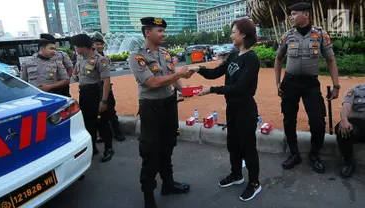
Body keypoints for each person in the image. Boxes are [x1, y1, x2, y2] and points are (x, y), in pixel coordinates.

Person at [190, 18, 262, 202]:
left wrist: (212, 90)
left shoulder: (252, 58)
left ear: (243, 35)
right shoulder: (233, 55)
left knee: (248, 147)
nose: (231, 35)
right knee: (233, 144)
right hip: (232, 108)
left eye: (233, 32)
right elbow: (215, 73)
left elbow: (240, 87)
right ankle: (236, 175)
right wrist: (198, 68)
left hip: (245, 108)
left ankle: (254, 183)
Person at [128, 17, 191, 208]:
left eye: (164, 31)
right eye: (159, 30)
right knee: (150, 153)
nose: (163, 34)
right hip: (151, 109)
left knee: (167, 147)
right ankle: (148, 196)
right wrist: (179, 74)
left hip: (169, 106)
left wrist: (184, 90)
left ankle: (168, 184)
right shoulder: (136, 56)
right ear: (147, 32)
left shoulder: (165, 53)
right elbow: (152, 82)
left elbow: (171, 79)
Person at [274, 2, 340, 173]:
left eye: (294, 13)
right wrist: (278, 82)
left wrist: (336, 85)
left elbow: (331, 60)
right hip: (290, 83)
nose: (291, 17)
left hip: (311, 85)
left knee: (318, 121)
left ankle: (314, 154)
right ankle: (294, 154)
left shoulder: (320, 34)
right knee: (289, 119)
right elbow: (278, 59)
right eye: (291, 14)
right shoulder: (287, 35)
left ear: (306, 15)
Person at [71, 34, 114, 163]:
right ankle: (92, 147)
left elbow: (106, 81)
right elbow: (76, 70)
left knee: (102, 122)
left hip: (96, 93)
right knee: (88, 122)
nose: (74, 49)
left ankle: (109, 148)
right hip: (84, 94)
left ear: (83, 47)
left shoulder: (99, 60)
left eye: (75, 46)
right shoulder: (80, 57)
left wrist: (104, 101)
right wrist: (74, 74)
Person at [92, 37, 126, 142]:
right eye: (97, 44)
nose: (100, 46)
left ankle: (117, 132)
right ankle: (102, 135)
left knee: (111, 112)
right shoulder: (87, 58)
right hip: (94, 90)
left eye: (101, 44)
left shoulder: (105, 58)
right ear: (92, 45)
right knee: (97, 114)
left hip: (106, 89)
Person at [335, 84, 365, 178]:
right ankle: (349, 162)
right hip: (356, 123)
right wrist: (344, 119)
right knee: (342, 129)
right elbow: (347, 106)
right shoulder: (355, 89)